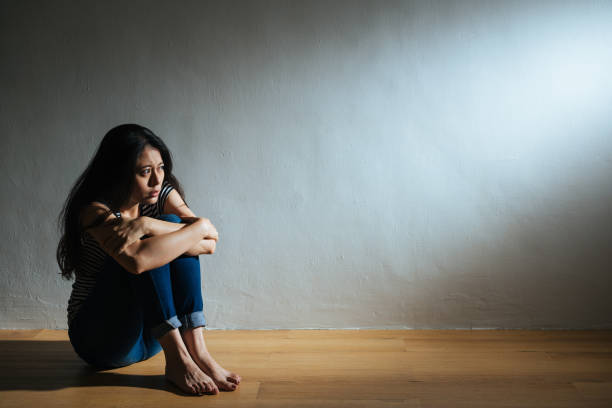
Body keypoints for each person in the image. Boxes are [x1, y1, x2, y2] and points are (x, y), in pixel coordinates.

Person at [56, 123, 241, 395]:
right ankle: (179, 360)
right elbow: (137, 262)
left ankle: (198, 353)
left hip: (155, 336)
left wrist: (148, 224)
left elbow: (208, 240)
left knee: (170, 226)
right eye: (145, 172)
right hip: (102, 341)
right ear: (118, 173)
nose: (157, 180)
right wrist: (197, 227)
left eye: (161, 168)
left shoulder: (160, 194)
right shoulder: (95, 211)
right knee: (160, 240)